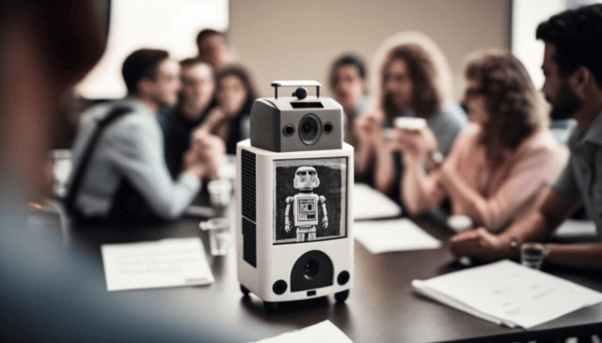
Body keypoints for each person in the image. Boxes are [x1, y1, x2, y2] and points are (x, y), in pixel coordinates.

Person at [450, 4, 602, 270]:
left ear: (580, 79)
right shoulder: (581, 137)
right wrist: (503, 245)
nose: (542, 88)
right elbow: (547, 214)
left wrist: (531, 251)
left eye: (547, 74)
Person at [394, 51, 567, 232]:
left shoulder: (540, 150)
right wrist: (414, 158)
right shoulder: (471, 135)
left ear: (502, 97)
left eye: (473, 92)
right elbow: (418, 204)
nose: (464, 100)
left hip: (511, 255)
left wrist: (435, 159)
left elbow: (491, 219)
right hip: (469, 246)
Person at [66, 49, 224, 222]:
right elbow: (169, 207)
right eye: (171, 79)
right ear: (146, 85)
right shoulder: (137, 126)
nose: (179, 87)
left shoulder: (97, 113)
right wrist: (198, 169)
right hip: (102, 229)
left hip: (76, 218)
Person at [354, 32, 468, 199]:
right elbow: (383, 185)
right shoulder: (398, 114)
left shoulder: (448, 122)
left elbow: (429, 193)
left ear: (422, 80)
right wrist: (374, 141)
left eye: (400, 78)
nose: (391, 87)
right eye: (387, 78)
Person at [164, 58, 217, 178]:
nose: (199, 89)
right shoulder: (167, 121)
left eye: (204, 81)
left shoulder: (224, 114)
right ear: (180, 86)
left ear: (213, 84)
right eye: (191, 83)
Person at [194, 65, 257, 155]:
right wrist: (209, 124)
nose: (228, 95)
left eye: (235, 89)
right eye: (223, 89)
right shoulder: (213, 115)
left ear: (246, 92)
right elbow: (195, 144)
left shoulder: (250, 121)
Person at [329, 54, 370, 146]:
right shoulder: (333, 118)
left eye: (349, 79)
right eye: (336, 80)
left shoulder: (373, 119)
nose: (341, 86)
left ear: (363, 83)